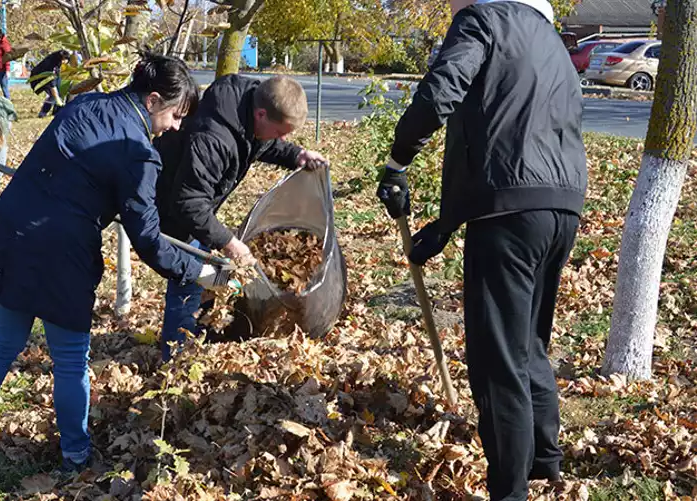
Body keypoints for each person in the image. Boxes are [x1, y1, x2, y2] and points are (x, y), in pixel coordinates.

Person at [0, 53, 236, 473]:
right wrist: (201, 273)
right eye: (175, 115)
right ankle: (75, 456)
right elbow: (148, 240)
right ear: (152, 100)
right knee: (70, 358)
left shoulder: (84, 104)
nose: (174, 126)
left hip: (15, 231)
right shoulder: (138, 153)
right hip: (62, 254)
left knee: (3, 342)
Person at [374, 0, 587, 498]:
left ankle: (509, 491)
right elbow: (502, 135)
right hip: (562, 207)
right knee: (528, 343)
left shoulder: (482, 22)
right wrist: (446, 224)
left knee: (498, 362)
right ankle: (544, 462)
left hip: (509, 216)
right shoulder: (550, 38)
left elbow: (440, 95)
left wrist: (398, 160)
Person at [153, 75, 329, 361]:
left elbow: (259, 143)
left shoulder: (249, 105)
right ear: (261, 115)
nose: (283, 138)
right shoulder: (213, 139)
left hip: (196, 205)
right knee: (187, 280)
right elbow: (188, 204)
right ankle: (176, 360)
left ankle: (197, 335)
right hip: (167, 208)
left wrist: (296, 155)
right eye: (281, 132)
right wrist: (230, 243)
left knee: (207, 277)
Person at [29, 49, 69, 118]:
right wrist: (57, 98)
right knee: (53, 95)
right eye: (63, 60)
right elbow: (52, 84)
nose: (64, 62)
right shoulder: (51, 64)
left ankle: (57, 112)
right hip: (40, 77)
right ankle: (42, 113)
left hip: (55, 74)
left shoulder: (61, 56)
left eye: (65, 60)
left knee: (59, 92)